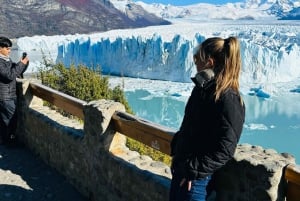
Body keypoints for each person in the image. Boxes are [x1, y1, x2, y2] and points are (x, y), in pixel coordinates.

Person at [169, 37, 245, 201]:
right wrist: (178, 148)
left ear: (209, 62)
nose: (195, 63)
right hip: (183, 173)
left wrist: (193, 170)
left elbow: (225, 148)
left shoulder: (228, 98)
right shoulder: (203, 89)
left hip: (196, 183)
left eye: (197, 59)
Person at [0, 36, 29, 146]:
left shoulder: (5, 60)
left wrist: (24, 64)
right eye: (7, 48)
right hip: (5, 96)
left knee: (6, 119)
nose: (9, 50)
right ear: (0, 48)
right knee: (10, 120)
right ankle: (9, 142)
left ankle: (6, 140)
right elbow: (10, 75)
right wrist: (21, 64)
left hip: (8, 94)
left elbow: (16, 70)